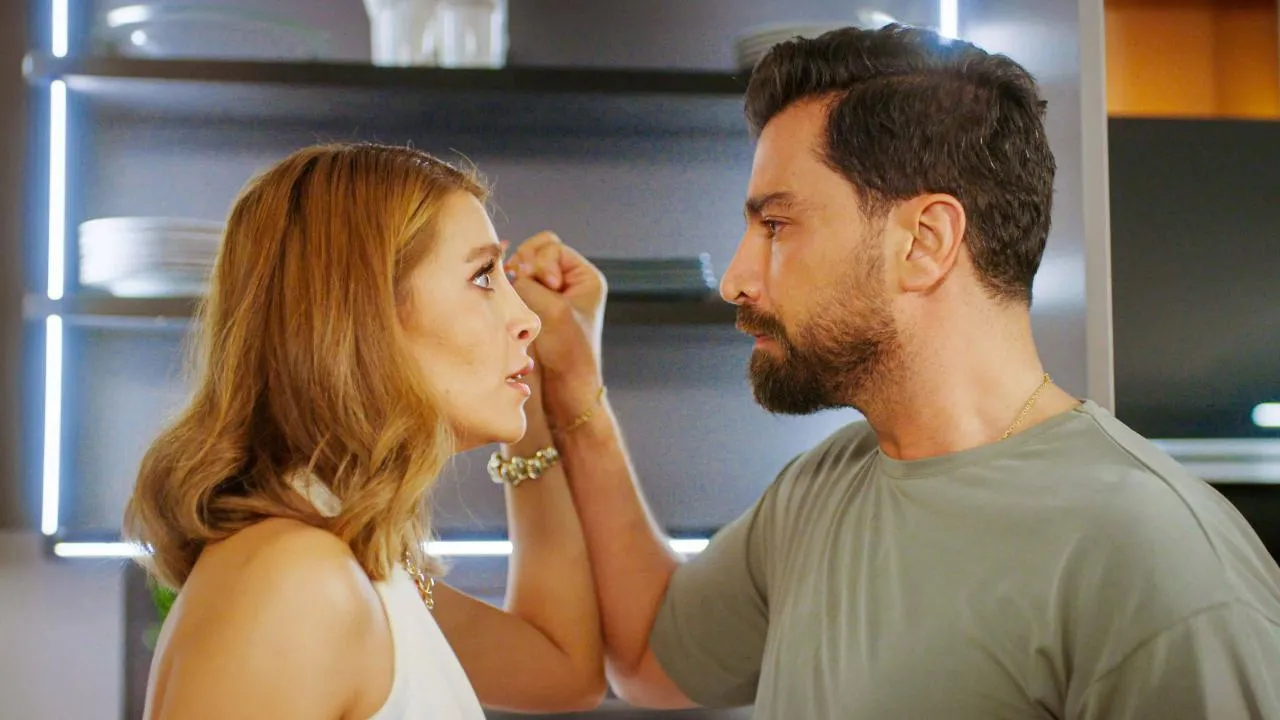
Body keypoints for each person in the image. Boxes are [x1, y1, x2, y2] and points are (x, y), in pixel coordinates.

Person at [505, 24, 1280, 718]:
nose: (735, 280)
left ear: (925, 242)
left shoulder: (1159, 564)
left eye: (776, 225)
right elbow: (650, 656)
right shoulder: (822, 487)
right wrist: (574, 384)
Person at [124, 143, 606, 718]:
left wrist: (534, 393)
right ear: (366, 310)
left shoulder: (348, 557)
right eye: (483, 276)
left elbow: (562, 670)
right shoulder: (298, 582)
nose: (527, 318)